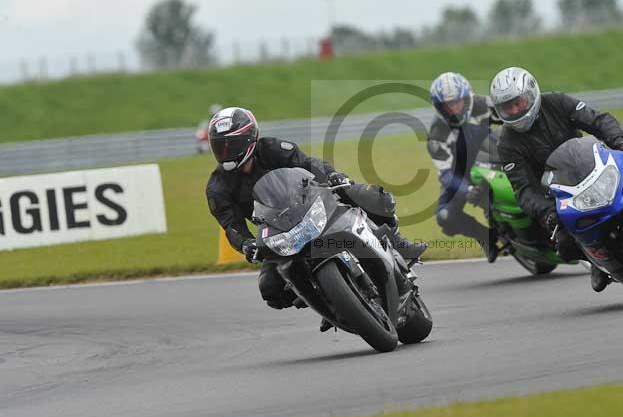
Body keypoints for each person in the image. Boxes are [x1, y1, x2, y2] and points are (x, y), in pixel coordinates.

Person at [205, 107, 426, 314]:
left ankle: (398, 243)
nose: (225, 152)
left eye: (230, 145)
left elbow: (308, 164)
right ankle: (326, 296)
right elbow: (232, 225)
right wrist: (246, 244)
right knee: (270, 289)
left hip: (309, 202)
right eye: (219, 146)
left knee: (370, 196)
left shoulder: (272, 149)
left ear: (248, 139)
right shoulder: (217, 188)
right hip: (276, 230)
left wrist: (332, 176)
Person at [490, 66, 623, 293]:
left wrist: (620, 142)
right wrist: (547, 212)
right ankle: (596, 263)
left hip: (592, 165)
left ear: (532, 94)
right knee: (565, 244)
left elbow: (598, 120)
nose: (515, 110)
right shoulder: (507, 144)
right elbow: (523, 189)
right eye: (508, 107)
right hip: (558, 193)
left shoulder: (556, 102)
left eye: (519, 102)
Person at [427, 72, 499, 261]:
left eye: (458, 102)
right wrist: (467, 190)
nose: (454, 109)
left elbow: (514, 119)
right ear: (438, 107)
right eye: (447, 105)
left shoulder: (484, 104)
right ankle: (486, 237)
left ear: (467, 97)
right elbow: (445, 175)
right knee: (444, 216)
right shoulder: (437, 135)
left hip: (494, 156)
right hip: (461, 174)